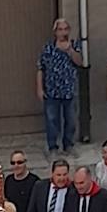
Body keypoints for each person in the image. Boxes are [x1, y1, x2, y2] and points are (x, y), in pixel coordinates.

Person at [37, 17, 83, 153]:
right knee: (52, 120)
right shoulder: (48, 48)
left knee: (71, 120)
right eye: (60, 29)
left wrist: (70, 50)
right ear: (55, 32)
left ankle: (68, 145)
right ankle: (53, 147)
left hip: (69, 90)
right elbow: (40, 68)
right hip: (51, 91)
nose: (63, 32)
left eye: (65, 29)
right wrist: (39, 89)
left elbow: (80, 62)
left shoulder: (74, 45)